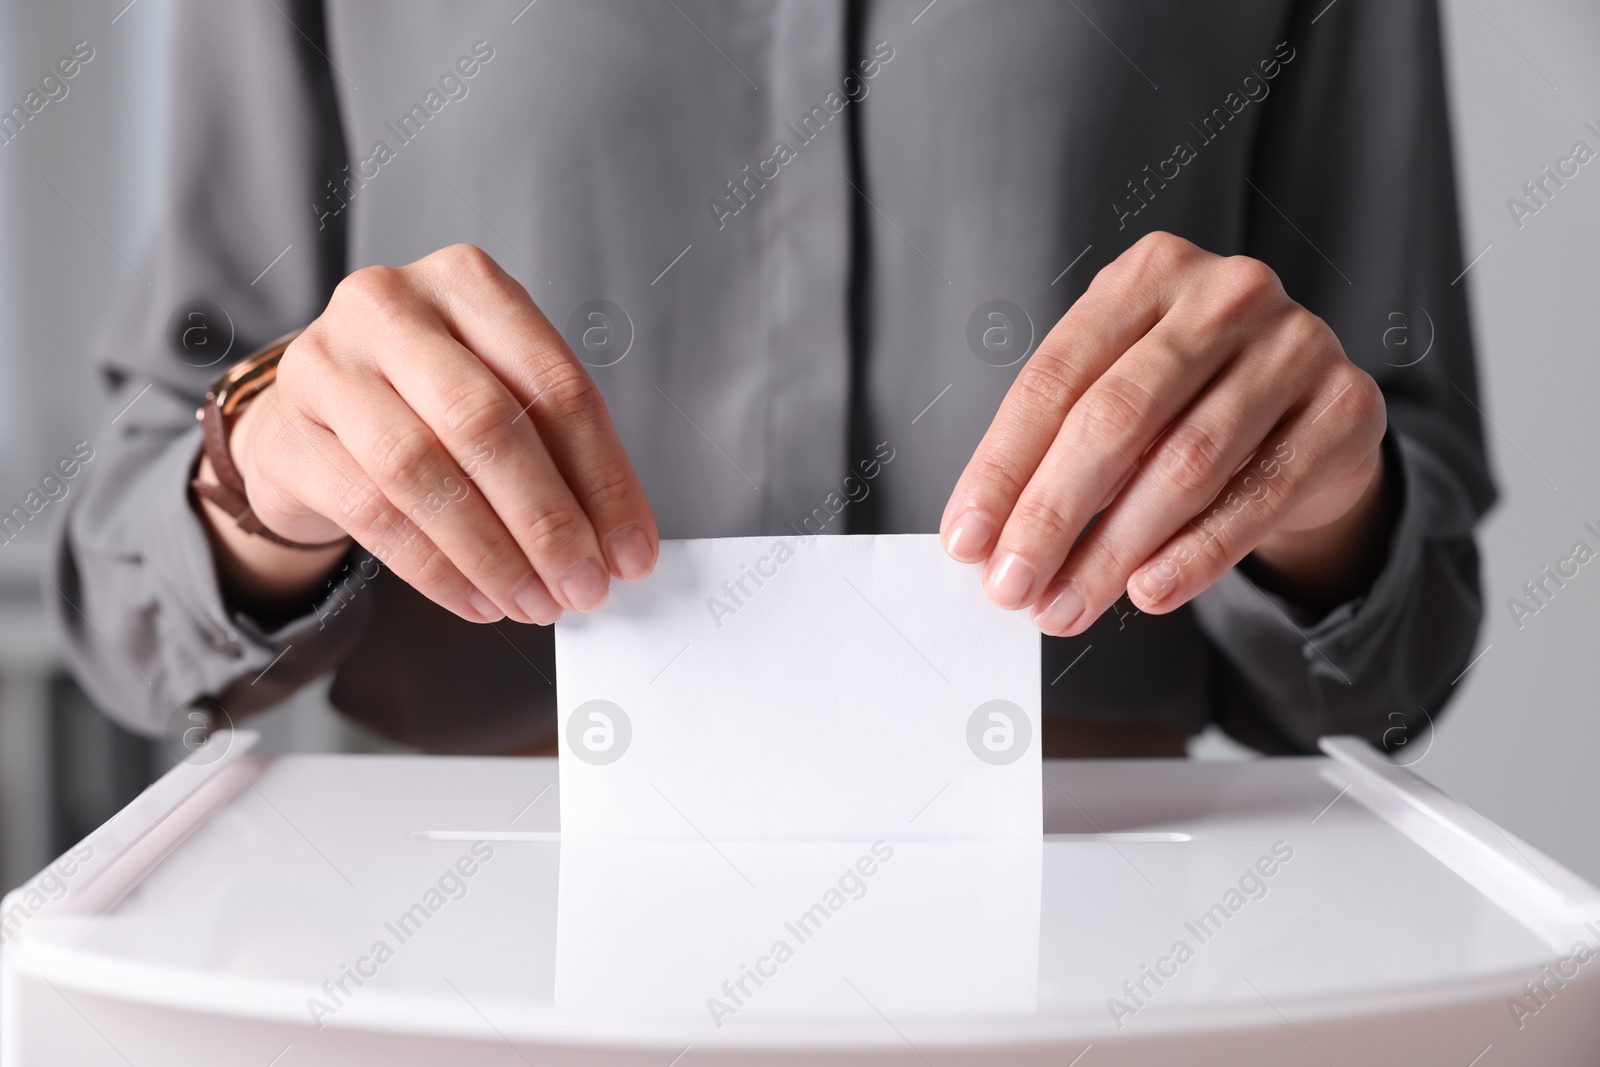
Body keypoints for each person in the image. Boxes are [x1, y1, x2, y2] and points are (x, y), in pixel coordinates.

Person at [48, 0, 1494, 758]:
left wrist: (1313, 506)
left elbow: (1405, 643)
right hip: (481, 951)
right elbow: (123, 586)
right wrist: (262, 472)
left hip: (1110, 946)